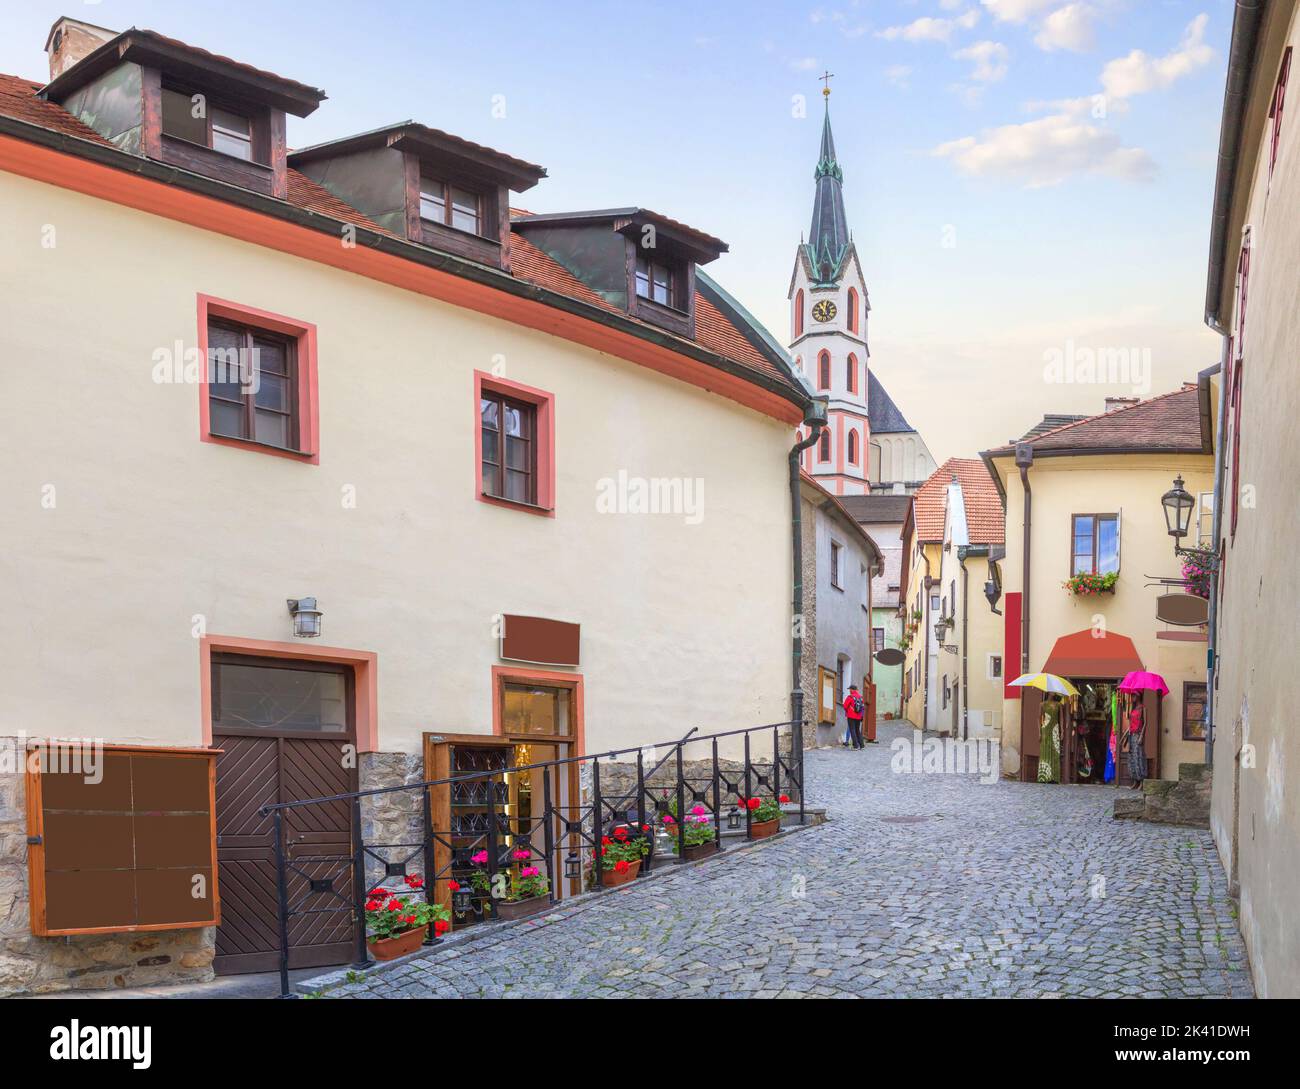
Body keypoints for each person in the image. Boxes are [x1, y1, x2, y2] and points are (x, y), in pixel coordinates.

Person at [842, 683, 865, 749]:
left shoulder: (850, 697)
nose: (849, 690)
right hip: (858, 716)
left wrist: (848, 711)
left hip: (851, 716)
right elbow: (863, 708)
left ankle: (855, 746)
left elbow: (845, 706)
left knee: (852, 730)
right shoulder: (860, 697)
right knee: (857, 730)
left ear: (852, 690)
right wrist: (861, 716)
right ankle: (862, 745)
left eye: (850, 689)